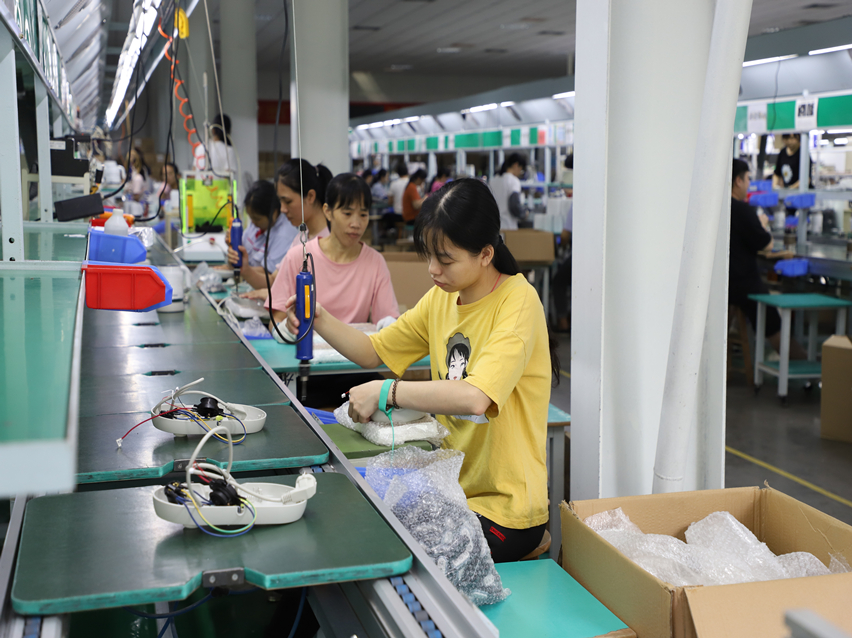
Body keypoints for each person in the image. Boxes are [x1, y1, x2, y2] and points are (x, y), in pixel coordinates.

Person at [281, 178, 560, 562]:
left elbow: (475, 397)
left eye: (445, 259)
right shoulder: (441, 299)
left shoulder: (518, 302)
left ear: (485, 254)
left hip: (504, 511)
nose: (432, 269)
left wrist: (386, 392)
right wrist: (319, 318)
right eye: (428, 255)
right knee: (353, 517)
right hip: (451, 491)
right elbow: (372, 351)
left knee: (379, 544)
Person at [268, 172, 400, 405]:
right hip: (306, 372)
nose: (356, 223)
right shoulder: (299, 256)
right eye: (347, 213)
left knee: (388, 401)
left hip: (355, 369)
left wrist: (391, 324)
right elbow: (275, 322)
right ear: (327, 211)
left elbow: (387, 322)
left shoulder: (375, 262)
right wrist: (288, 327)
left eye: (363, 214)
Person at [730, 159, 807, 359]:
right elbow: (767, 245)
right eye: (748, 179)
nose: (749, 184)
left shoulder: (719, 209)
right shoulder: (743, 210)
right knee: (771, 320)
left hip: (725, 285)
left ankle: (735, 331)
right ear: (738, 181)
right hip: (743, 285)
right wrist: (762, 224)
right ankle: (796, 360)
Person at [226, 180, 298, 289]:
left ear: (274, 213)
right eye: (251, 218)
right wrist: (232, 245)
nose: (253, 223)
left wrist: (241, 269)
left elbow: (269, 273)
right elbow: (242, 250)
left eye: (257, 219)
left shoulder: (284, 236)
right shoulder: (256, 224)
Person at [552, 201, 573, 332]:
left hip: (579, 256)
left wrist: (563, 246)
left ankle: (563, 322)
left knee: (558, 281)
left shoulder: (577, 203)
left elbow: (565, 235)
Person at [490, 153, 526, 230]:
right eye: (521, 170)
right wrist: (524, 213)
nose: (520, 173)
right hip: (508, 227)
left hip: (493, 228)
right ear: (516, 165)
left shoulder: (493, 181)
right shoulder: (513, 181)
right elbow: (514, 206)